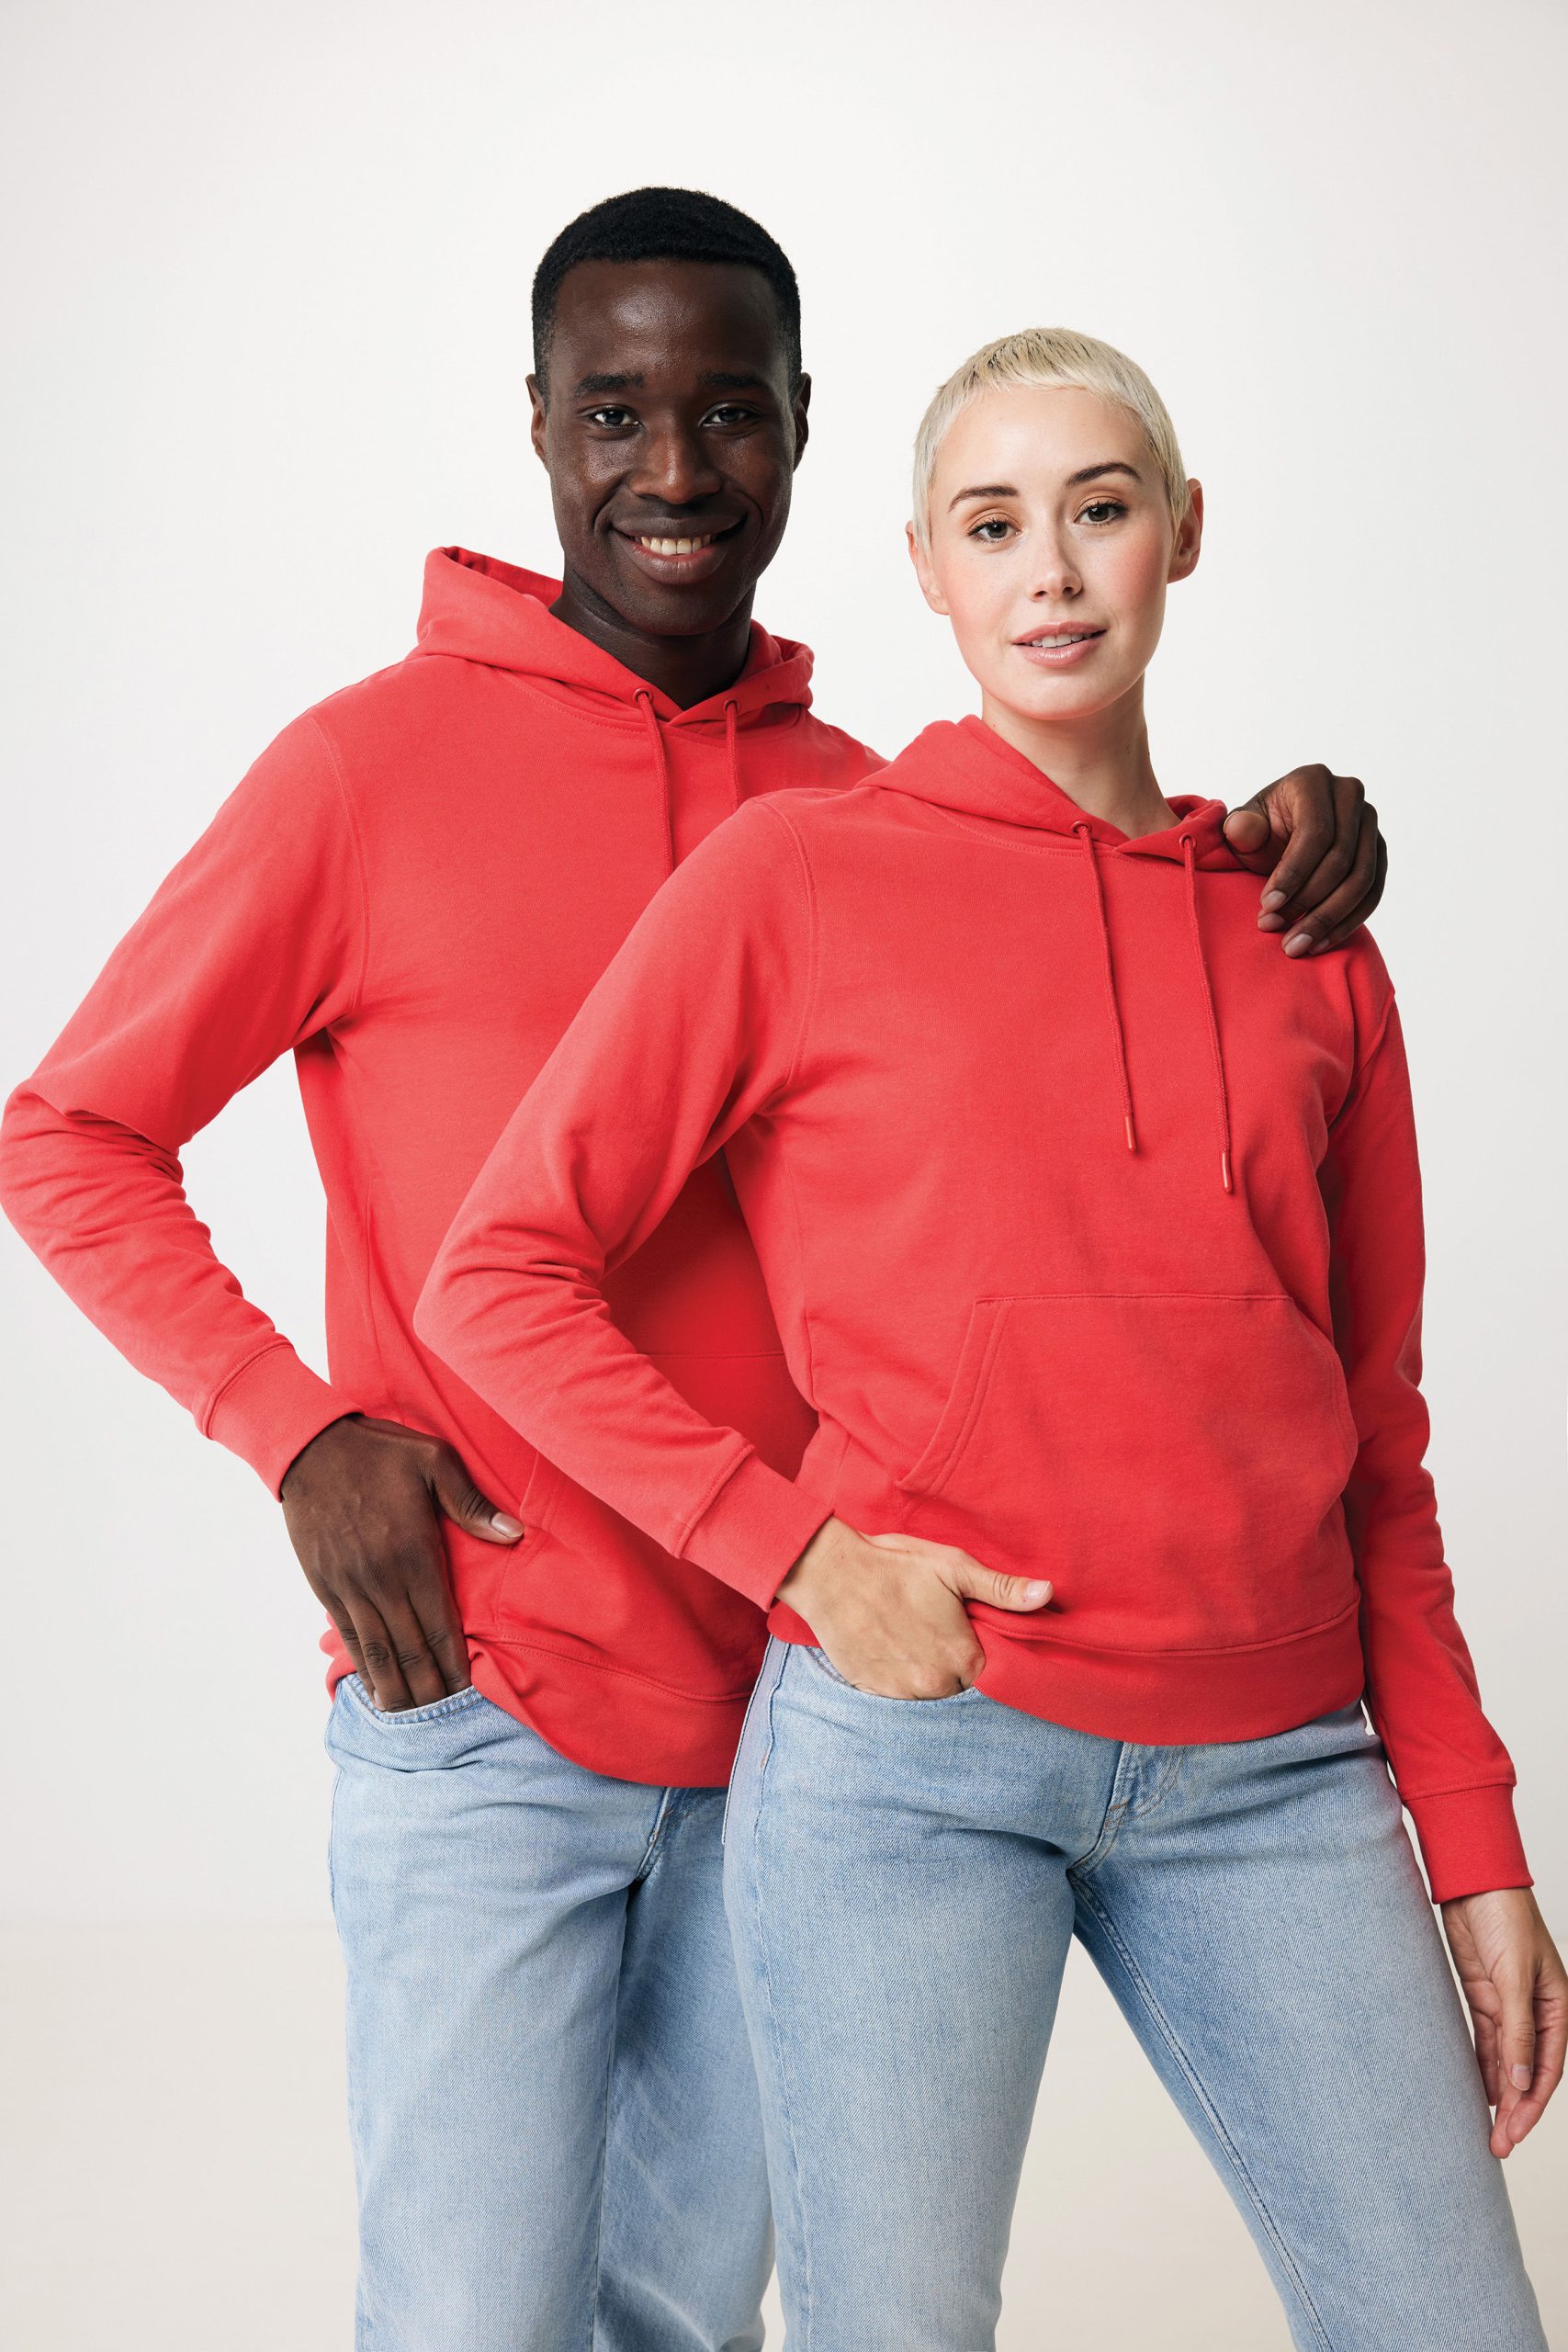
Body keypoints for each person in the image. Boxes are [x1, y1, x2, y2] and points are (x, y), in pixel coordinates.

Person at [1, 186, 1385, 2350]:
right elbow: (69, 1132)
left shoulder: (853, 817)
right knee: (467, 2317)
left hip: (812, 1716)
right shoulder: (364, 771)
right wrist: (294, 1429)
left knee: (680, 2314)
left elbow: (1093, 1072)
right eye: (612, 412)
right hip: (485, 1694)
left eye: (727, 411)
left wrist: (1261, 840)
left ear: (802, 427)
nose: (671, 468)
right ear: (536, 424)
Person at [416, 327, 1563, 2349]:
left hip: (1280, 1772)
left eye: (1097, 509)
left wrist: (1468, 1837)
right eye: (992, 523)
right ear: (926, 569)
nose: (1050, 571)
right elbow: (498, 1272)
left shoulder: (1303, 931)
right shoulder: (796, 877)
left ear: (1179, 533)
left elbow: (1375, 1431)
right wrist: (793, 1552)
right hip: (911, 1763)